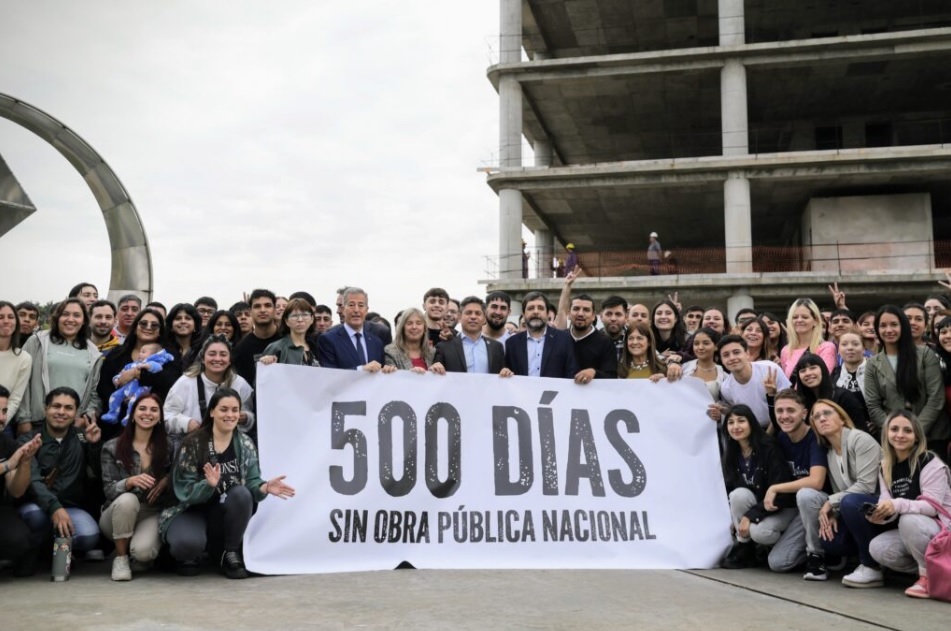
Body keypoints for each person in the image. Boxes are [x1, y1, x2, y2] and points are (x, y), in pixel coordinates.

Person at [159, 388, 295, 578]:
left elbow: (252, 482)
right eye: (224, 409)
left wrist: (264, 487)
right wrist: (208, 485)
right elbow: (184, 490)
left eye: (234, 410)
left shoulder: (245, 444)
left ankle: (229, 552)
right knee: (187, 544)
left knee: (241, 494)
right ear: (212, 412)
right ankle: (187, 555)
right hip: (190, 509)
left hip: (220, 511)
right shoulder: (193, 443)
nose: (230, 415)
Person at [18, 387, 103, 575]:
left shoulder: (82, 437)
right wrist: (54, 507)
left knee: (89, 535)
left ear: (76, 413)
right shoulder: (29, 440)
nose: (61, 412)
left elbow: (99, 474)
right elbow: (32, 480)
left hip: (70, 508)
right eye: (56, 406)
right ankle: (40, 551)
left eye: (68, 408)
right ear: (45, 409)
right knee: (35, 517)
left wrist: (95, 446)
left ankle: (52, 549)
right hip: (37, 506)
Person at [796, 399, 881, 585]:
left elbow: (867, 486)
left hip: (881, 508)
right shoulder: (830, 453)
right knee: (831, 543)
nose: (822, 419)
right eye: (816, 417)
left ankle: (871, 566)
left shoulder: (860, 439)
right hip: (853, 509)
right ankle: (831, 559)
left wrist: (831, 503)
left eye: (827, 413)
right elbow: (842, 491)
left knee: (849, 502)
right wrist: (835, 512)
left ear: (842, 419)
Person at [867, 411, 951, 598]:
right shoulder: (885, 466)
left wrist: (896, 505)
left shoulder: (929, 461)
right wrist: (881, 513)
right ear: (886, 433)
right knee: (878, 547)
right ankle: (939, 571)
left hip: (944, 529)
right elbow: (887, 501)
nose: (900, 435)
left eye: (907, 430)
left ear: (917, 436)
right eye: (894, 429)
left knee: (909, 520)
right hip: (917, 532)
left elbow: (932, 507)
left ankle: (927, 578)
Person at [99, 392, 172, 581]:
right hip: (117, 513)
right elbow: (108, 490)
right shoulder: (112, 446)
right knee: (128, 500)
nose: (147, 413)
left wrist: (167, 479)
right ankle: (121, 558)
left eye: (154, 410)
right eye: (142, 409)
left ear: (160, 417)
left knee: (143, 553)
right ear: (132, 415)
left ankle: (137, 554)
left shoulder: (168, 446)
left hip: (150, 511)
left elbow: (179, 474)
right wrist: (129, 482)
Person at [865, 305, 948, 459]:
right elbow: (873, 405)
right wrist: (896, 432)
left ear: (903, 326)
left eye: (894, 324)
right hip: (895, 442)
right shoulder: (872, 364)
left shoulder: (925, 355)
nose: (889, 330)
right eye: (883, 325)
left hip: (932, 437)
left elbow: (936, 398)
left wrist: (914, 431)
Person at [720, 404, 795, 569]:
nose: (736, 426)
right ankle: (745, 548)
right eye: (731, 422)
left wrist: (749, 517)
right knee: (738, 495)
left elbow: (781, 494)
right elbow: (732, 489)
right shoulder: (732, 453)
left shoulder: (769, 447)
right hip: (758, 507)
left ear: (751, 423)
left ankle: (769, 547)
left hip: (781, 507)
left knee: (761, 533)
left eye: (741, 421)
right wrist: (735, 517)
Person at [763, 389, 829, 573]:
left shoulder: (815, 438)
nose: (784, 416)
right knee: (777, 562)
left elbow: (816, 481)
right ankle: (806, 549)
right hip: (794, 507)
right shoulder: (781, 437)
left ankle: (817, 555)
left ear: (804, 413)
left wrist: (775, 488)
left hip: (821, 505)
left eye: (791, 410)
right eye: (780, 411)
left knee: (806, 494)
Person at [20, 298, 103, 435]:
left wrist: (85, 417)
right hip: (37, 423)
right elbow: (22, 382)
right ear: (57, 317)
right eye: (65, 314)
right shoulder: (37, 341)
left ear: (84, 321)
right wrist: (23, 419)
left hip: (72, 426)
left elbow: (94, 392)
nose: (70, 319)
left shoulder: (93, 352)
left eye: (76, 315)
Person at [98, 309, 182, 444]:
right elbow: (103, 384)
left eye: (154, 325)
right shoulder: (118, 352)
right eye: (143, 323)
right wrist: (122, 398)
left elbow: (169, 381)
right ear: (135, 327)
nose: (148, 327)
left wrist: (136, 373)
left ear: (160, 330)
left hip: (150, 422)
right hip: (115, 424)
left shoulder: (167, 355)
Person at [164, 335, 256, 439]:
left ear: (229, 360)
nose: (217, 359)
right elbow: (167, 416)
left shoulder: (240, 384)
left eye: (223, 354)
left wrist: (246, 418)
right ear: (203, 359)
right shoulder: (185, 383)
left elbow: (251, 417)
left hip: (230, 443)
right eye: (212, 354)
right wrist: (186, 423)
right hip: (192, 442)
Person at [0, 386, 41, 574]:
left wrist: (25, 462)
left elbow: (16, 491)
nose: (2, 418)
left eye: (4, 411)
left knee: (20, 541)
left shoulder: (6, 442)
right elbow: (8, 466)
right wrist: (8, 464)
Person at [710, 335, 791, 429]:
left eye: (736, 352)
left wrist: (773, 394)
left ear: (747, 353)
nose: (732, 358)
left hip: (783, 425)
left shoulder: (770, 369)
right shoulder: (726, 387)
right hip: (753, 431)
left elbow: (789, 403)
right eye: (726, 355)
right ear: (722, 360)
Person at [504, 292, 579, 379]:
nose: (536, 312)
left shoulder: (564, 340)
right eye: (531, 308)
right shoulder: (512, 343)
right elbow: (507, 373)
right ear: (524, 314)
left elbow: (571, 374)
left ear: (547, 314)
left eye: (540, 308)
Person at [792, 353, 871, 435]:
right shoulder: (801, 404)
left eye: (813, 368)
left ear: (823, 370)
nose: (808, 373)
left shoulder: (843, 397)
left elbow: (861, 431)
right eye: (803, 371)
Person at [101, 343, 174, 426]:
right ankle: (112, 414)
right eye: (140, 352)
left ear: (153, 355)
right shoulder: (133, 364)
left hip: (141, 389)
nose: (140, 354)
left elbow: (157, 368)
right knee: (115, 396)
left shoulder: (152, 362)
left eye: (143, 352)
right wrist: (117, 379)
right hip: (127, 388)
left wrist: (146, 366)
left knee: (134, 402)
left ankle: (129, 418)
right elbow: (123, 372)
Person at [431, 297, 506, 375]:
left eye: (478, 313)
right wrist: (434, 368)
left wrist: (506, 372)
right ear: (460, 316)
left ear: (484, 318)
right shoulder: (444, 347)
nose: (473, 317)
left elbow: (503, 374)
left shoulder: (496, 348)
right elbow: (435, 375)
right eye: (468, 313)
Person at [318, 287, 386, 372]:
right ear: (343, 309)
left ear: (366, 310)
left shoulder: (376, 343)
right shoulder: (328, 340)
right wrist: (361, 369)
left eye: (361, 305)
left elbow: (380, 373)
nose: (356, 310)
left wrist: (387, 370)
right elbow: (329, 374)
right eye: (351, 305)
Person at [233, 290, 281, 387]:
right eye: (257, 306)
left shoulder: (288, 340)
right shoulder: (241, 349)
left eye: (267, 305)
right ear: (250, 311)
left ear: (275, 310)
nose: (262, 310)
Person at [780, 298, 836, 378]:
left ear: (816, 321)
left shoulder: (826, 348)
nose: (799, 320)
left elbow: (823, 378)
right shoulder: (786, 351)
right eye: (795, 317)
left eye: (805, 317)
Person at [258, 298, 320, 367]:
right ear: (286, 321)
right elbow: (263, 372)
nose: (300, 320)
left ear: (312, 319)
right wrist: (265, 361)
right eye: (294, 316)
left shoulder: (316, 346)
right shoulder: (276, 348)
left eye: (305, 315)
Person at [0, 300, 31, 422]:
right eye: (1, 317)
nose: (6, 321)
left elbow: (15, 400)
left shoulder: (24, 358)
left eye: (11, 317)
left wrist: (2, 422)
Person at [682, 327, 725, 401]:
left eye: (706, 343)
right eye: (696, 344)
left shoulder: (723, 376)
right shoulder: (683, 368)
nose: (700, 347)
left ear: (716, 346)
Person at [384, 308, 433, 373]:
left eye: (418, 323)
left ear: (424, 328)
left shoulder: (432, 353)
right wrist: (409, 375)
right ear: (402, 328)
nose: (414, 327)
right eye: (409, 323)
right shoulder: (390, 352)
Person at [650, 299, 688, 365]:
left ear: (675, 319)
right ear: (653, 318)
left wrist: (680, 356)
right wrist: (659, 356)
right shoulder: (646, 339)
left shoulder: (687, 339)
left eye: (668, 313)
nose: (663, 317)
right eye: (659, 313)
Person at [600, 295, 629, 362]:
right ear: (601, 317)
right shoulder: (593, 340)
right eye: (609, 314)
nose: (613, 319)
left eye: (618, 314)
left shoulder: (633, 341)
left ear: (626, 317)